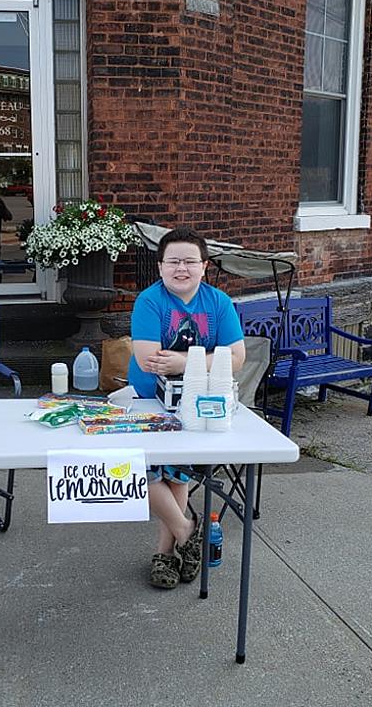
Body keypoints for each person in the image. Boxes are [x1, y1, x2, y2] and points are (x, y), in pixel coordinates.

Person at [128, 226, 246, 589]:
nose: (182, 268)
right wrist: (211, 357)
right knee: (139, 474)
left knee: (176, 475)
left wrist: (181, 362)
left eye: (189, 261)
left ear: (204, 266)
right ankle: (188, 531)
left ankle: (166, 554)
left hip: (198, 405)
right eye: (173, 261)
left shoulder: (219, 303)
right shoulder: (150, 301)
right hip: (147, 402)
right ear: (161, 266)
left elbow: (238, 357)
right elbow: (148, 359)